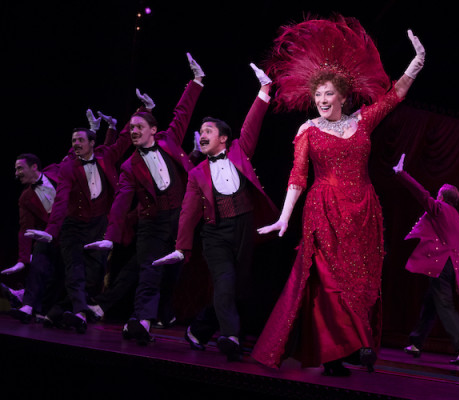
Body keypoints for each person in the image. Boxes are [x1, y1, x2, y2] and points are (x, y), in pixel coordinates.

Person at [251, 16, 426, 376]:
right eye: (317, 95)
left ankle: (351, 347)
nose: (322, 100)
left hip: (363, 209)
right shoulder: (308, 130)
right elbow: (298, 177)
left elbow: (397, 94)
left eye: (329, 94)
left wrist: (417, 62)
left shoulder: (363, 121)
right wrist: (284, 217)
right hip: (324, 210)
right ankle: (343, 351)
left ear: (344, 96)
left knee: (360, 280)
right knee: (328, 283)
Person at [153, 63, 279, 361]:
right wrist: (182, 247)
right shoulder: (197, 173)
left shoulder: (238, 150)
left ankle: (199, 329)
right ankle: (231, 337)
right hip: (215, 233)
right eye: (200, 131)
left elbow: (252, 124)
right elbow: (188, 211)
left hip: (245, 227)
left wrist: (264, 90)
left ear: (223, 138)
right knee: (223, 281)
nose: (202, 134)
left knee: (238, 286)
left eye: (207, 130)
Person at [85, 53, 205, 345]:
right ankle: (143, 322)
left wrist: (196, 82)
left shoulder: (169, 140)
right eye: (131, 128)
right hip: (151, 223)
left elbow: (182, 113)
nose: (134, 131)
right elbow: (121, 202)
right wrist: (111, 237)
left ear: (153, 130)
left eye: (139, 127)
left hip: (179, 218)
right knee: (148, 272)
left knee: (173, 273)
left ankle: (161, 312)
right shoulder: (129, 167)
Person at [25, 109, 133, 333]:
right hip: (72, 225)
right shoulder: (68, 167)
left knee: (93, 275)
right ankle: (80, 314)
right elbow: (61, 199)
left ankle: (56, 312)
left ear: (92, 142)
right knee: (74, 271)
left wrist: (143, 111)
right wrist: (53, 230)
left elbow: (123, 141)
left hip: (98, 224)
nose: (76, 144)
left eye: (80, 140)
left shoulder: (105, 157)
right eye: (73, 141)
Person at [392, 153, 459, 365]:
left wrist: (401, 173)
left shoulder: (439, 209)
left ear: (441, 197)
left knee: (445, 305)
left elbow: (421, 194)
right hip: (451, 268)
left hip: (439, 265)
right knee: (431, 303)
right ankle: (416, 343)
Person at [2, 153, 62, 323]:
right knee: (38, 261)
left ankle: (38, 306)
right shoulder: (25, 198)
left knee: (61, 274)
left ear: (34, 167)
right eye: (15, 169)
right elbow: (25, 229)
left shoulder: (56, 171)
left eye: (20, 168)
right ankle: (27, 306)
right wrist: (22, 260)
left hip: (73, 231)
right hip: (49, 236)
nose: (16, 173)